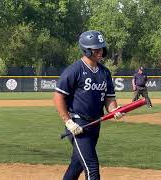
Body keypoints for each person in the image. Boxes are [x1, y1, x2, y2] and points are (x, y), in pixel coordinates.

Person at [53, 30, 124, 180]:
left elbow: (109, 98)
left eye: (102, 48)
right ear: (86, 49)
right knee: (91, 167)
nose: (101, 51)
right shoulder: (74, 70)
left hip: (95, 123)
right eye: (96, 49)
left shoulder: (104, 72)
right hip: (78, 125)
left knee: (76, 165)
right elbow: (58, 96)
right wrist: (68, 121)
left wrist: (114, 110)